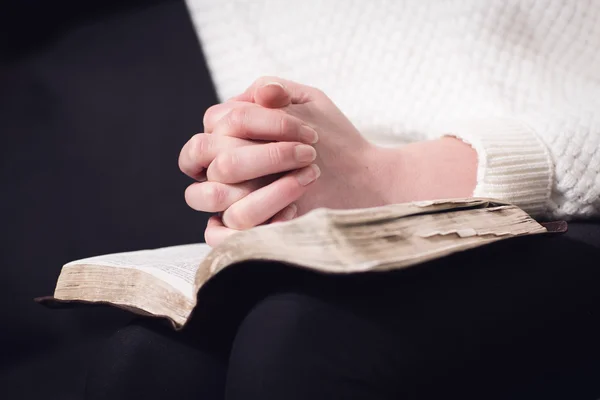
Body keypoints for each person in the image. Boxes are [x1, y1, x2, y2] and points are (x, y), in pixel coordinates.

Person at [85, 1, 600, 399]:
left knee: (302, 338)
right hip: (359, 223)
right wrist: (263, 190)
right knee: (149, 358)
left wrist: (381, 178)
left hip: (556, 206)